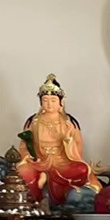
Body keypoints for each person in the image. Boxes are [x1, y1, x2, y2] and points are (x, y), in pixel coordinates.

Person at [17, 74, 101, 204]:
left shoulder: (68, 122)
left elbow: (78, 148)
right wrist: (28, 156)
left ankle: (52, 184)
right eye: (45, 100)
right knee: (23, 171)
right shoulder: (34, 122)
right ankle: (36, 202)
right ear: (40, 102)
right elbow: (25, 145)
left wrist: (68, 141)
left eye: (53, 100)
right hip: (39, 161)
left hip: (62, 161)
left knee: (82, 169)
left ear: (61, 102)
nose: (49, 104)